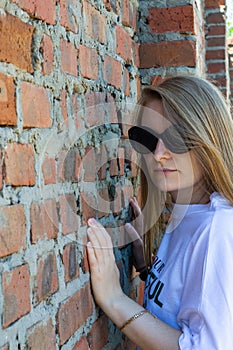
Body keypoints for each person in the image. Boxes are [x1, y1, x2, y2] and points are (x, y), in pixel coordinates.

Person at [86, 75, 233, 349]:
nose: (159, 153)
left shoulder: (218, 229)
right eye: (149, 139)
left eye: (177, 137)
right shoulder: (190, 213)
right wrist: (148, 271)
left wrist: (114, 298)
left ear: (208, 137)